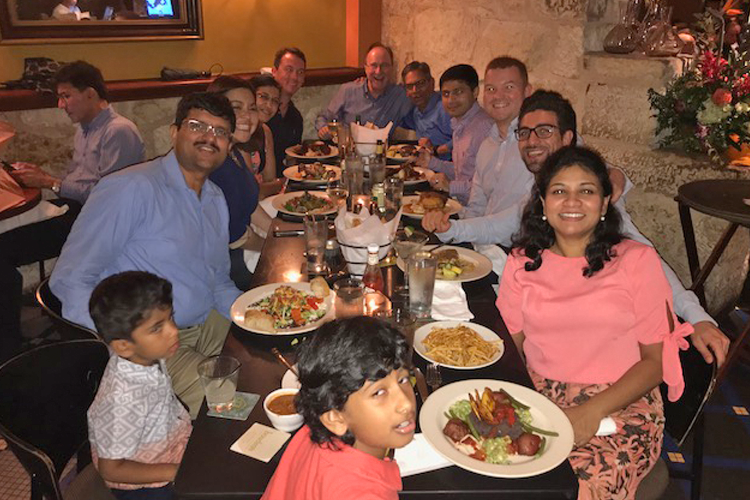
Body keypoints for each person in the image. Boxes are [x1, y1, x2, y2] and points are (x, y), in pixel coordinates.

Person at [424, 89, 730, 366]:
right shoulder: (541, 192)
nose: (532, 141)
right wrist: (448, 230)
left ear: (568, 138)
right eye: (525, 133)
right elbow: (498, 225)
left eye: (544, 131)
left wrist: (696, 316)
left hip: (589, 343)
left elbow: (644, 256)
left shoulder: (590, 196)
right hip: (545, 328)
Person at [497, 146, 692, 499]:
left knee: (571, 489)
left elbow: (655, 362)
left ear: (604, 204)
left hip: (621, 404)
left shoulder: (637, 261)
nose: (572, 201)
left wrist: (591, 411)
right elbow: (508, 347)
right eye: (559, 191)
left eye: (586, 191)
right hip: (540, 399)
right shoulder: (521, 263)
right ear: (542, 202)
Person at [50, 92, 241, 418]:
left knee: (268, 359)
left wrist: (254, 316)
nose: (210, 137)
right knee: (232, 404)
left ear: (229, 145)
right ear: (174, 132)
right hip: (153, 341)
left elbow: (218, 279)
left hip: (206, 323)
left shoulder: (214, 198)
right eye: (198, 126)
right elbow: (69, 280)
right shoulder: (131, 189)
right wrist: (127, 343)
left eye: (221, 131)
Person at [0, 60, 144, 363]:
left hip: (94, 222)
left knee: (4, 252)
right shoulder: (84, 130)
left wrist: (50, 182)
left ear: (90, 93)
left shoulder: (119, 131)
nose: (60, 104)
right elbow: (76, 179)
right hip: (74, 211)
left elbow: (112, 198)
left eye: (66, 96)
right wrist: (42, 176)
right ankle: (18, 331)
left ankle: (10, 350)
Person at [262, 317, 416, 500]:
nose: (405, 402)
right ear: (335, 419)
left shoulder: (312, 432)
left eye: (403, 379)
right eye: (378, 392)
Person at [88, 271, 191, 500]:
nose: (174, 330)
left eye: (170, 318)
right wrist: (174, 471)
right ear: (124, 346)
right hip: (139, 479)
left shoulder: (145, 355)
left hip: (168, 443)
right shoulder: (122, 400)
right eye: (157, 328)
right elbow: (111, 468)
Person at [206, 76, 263, 291]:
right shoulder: (215, 163)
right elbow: (234, 236)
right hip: (223, 268)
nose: (247, 116)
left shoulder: (235, 153)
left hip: (238, 253)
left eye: (252, 108)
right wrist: (270, 245)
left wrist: (282, 231)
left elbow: (252, 205)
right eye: (236, 108)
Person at [416, 64, 494, 205]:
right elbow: (463, 171)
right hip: (461, 205)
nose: (451, 100)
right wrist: (432, 163)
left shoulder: (483, 128)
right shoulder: (461, 124)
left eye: (458, 92)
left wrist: (450, 186)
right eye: (446, 94)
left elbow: (489, 187)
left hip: (478, 213)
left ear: (475, 92)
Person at [315, 42, 412, 139]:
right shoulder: (348, 91)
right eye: (374, 65)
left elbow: (420, 115)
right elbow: (323, 118)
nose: (378, 71)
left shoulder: (400, 96)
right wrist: (323, 128)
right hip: (349, 152)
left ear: (392, 68)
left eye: (384, 65)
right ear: (365, 68)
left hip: (381, 152)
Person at [397, 61, 452, 160]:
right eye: (410, 86)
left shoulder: (445, 107)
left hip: (451, 168)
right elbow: (398, 120)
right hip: (427, 167)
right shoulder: (415, 112)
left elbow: (466, 137)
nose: (415, 90)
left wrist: (437, 150)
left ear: (432, 83)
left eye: (420, 83)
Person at [268, 47, 306, 175]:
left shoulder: (295, 117)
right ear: (274, 71)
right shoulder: (261, 110)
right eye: (289, 70)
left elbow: (291, 160)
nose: (295, 77)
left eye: (300, 72)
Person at [248, 75, 282, 192]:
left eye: (275, 101)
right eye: (263, 97)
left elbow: (270, 179)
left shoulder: (265, 131)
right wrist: (279, 184)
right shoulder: (237, 132)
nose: (269, 105)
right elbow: (246, 189)